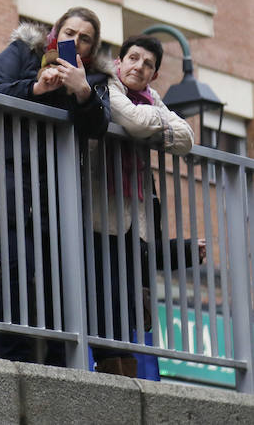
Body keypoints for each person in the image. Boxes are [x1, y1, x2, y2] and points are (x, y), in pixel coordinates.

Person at [0, 7, 111, 365]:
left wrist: (82, 91)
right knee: (22, 267)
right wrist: (35, 87)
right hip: (7, 185)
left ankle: (60, 365)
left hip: (55, 195)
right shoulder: (23, 52)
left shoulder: (94, 79)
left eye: (84, 38)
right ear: (55, 32)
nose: (75, 42)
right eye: (69, 33)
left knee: (60, 281)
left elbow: (98, 126)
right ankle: (13, 358)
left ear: (92, 48)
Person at [90, 34, 203, 377]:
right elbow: (136, 123)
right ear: (119, 61)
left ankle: (125, 375)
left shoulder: (150, 98)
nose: (139, 66)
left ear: (154, 75)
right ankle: (113, 373)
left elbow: (187, 139)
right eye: (134, 58)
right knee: (106, 298)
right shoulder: (104, 85)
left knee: (127, 304)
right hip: (97, 216)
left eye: (149, 64)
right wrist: (155, 125)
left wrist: (148, 126)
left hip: (133, 222)